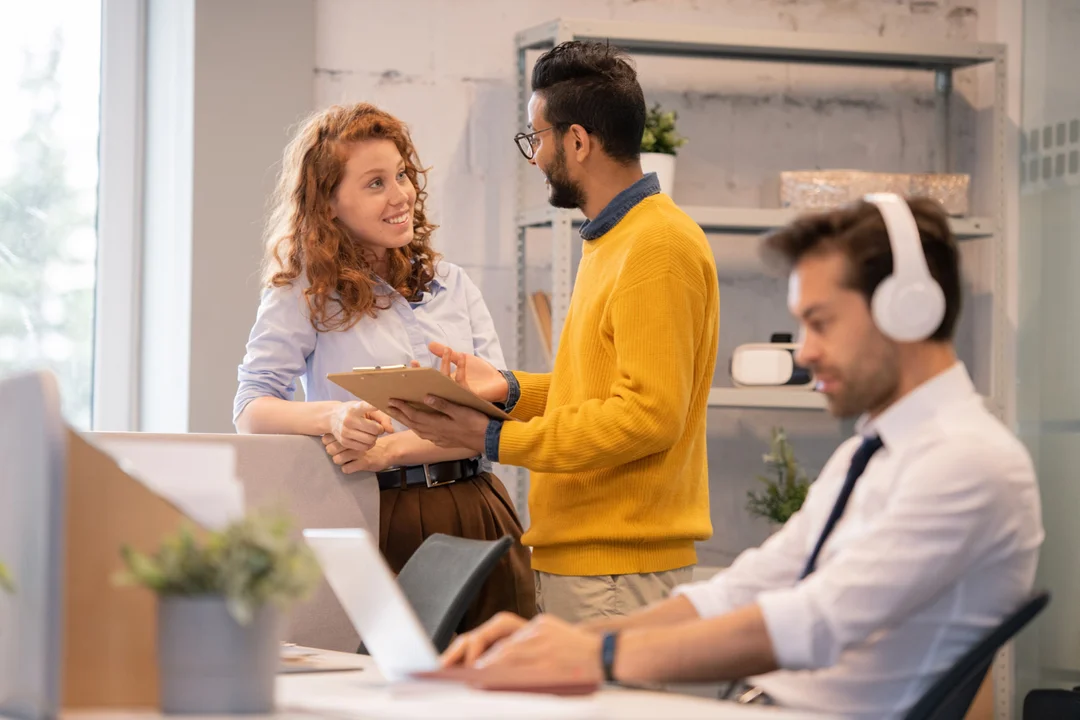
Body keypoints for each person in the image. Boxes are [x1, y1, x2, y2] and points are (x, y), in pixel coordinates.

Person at [434, 196, 1044, 719]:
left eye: (821, 323)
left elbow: (816, 621)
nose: (804, 353)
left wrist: (595, 655)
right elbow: (749, 586)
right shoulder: (876, 452)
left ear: (907, 309)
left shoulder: (968, 461)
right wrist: (558, 640)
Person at [386, 40, 720, 623]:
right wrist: (508, 390)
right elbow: (600, 394)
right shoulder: (613, 239)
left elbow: (647, 417)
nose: (534, 156)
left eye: (536, 138)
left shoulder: (656, 246)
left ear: (577, 141)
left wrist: (489, 440)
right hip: (592, 563)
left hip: (616, 569)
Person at [232, 102, 535, 630]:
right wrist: (332, 418)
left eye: (400, 175)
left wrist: (393, 447)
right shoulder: (304, 292)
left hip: (480, 507)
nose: (400, 195)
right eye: (375, 183)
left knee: (498, 689)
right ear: (328, 203)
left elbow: (498, 419)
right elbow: (251, 410)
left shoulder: (454, 283)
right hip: (376, 515)